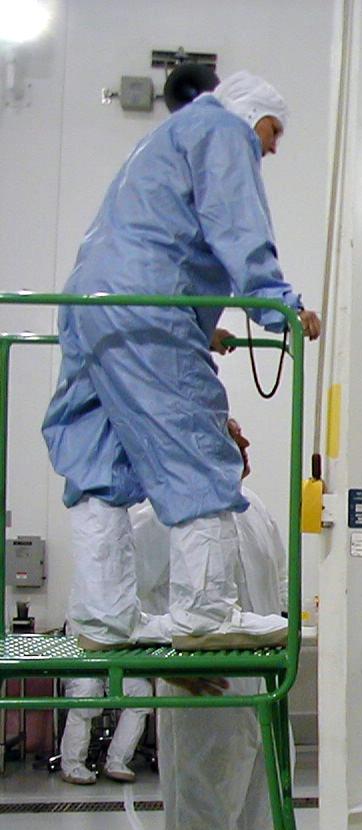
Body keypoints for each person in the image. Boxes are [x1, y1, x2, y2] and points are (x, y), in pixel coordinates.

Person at [41, 70, 320, 653]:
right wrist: (277, 305)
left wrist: (202, 324)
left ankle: (103, 619)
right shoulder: (221, 129)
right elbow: (236, 223)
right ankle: (206, 615)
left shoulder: (163, 139)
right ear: (252, 115)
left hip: (92, 305)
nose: (272, 146)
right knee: (200, 449)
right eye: (273, 132)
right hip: (147, 309)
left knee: (99, 466)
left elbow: (151, 242)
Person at [133, 418, 285, 830]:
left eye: (244, 434)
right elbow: (118, 606)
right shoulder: (161, 512)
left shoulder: (258, 512)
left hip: (263, 695)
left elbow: (278, 597)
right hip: (203, 697)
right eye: (232, 435)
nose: (246, 444)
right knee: (203, 823)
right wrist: (163, 666)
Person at [57, 676, 152, 785]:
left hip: (111, 669)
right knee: (87, 688)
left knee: (141, 689)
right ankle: (72, 765)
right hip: (80, 670)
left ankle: (117, 761)